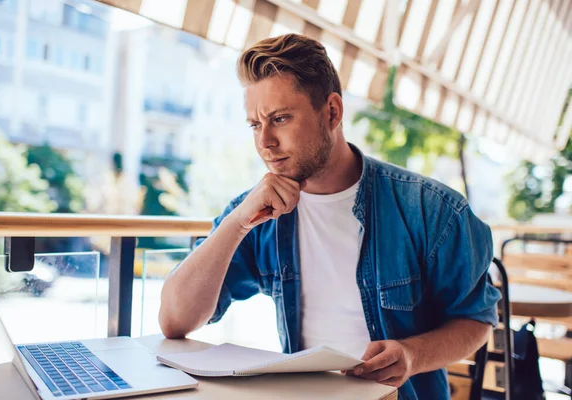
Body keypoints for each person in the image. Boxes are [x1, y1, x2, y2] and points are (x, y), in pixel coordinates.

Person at [159, 33, 500, 399]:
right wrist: (236, 223)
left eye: (281, 118)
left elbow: (475, 321)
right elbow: (174, 321)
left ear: (332, 112)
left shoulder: (431, 210)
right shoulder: (255, 213)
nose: (265, 142)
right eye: (256, 125)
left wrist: (412, 355)